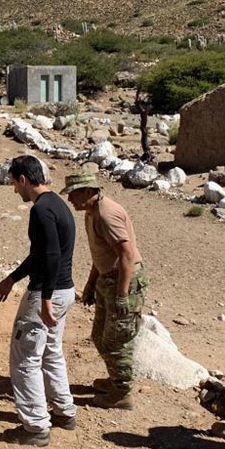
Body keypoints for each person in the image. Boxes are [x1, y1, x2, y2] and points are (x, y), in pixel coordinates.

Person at [0, 155, 77, 447]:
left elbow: (50, 256)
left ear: (24, 179)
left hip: (47, 294)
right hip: (64, 291)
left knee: (25, 357)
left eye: (14, 183)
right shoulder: (57, 205)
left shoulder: (40, 210)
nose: (15, 189)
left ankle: (36, 427)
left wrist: (45, 298)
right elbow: (40, 254)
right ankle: (64, 411)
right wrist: (12, 279)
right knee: (51, 351)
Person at [61, 165, 148, 410]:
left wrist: (122, 294)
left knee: (116, 341)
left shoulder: (106, 215)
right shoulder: (91, 212)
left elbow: (127, 255)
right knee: (100, 336)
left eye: (74, 193)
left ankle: (122, 392)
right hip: (107, 279)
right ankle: (115, 379)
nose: (70, 199)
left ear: (89, 191)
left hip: (123, 282)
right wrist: (91, 283)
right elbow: (101, 253)